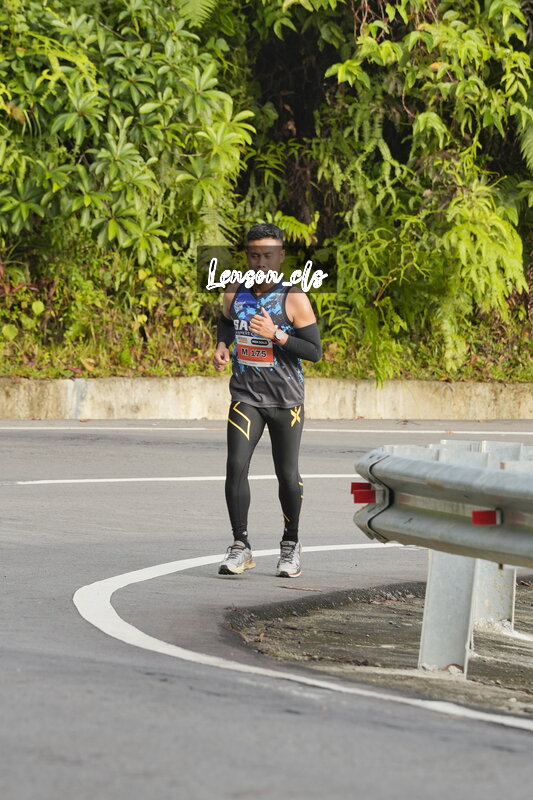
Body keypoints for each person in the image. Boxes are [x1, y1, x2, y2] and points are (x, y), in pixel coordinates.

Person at [212, 222, 322, 578]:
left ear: (280, 257)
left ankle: (291, 544)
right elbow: (226, 321)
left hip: (286, 401)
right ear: (247, 256)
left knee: (286, 474)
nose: (261, 263)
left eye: (268, 256)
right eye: (255, 255)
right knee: (235, 465)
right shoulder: (234, 291)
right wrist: (222, 344)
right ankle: (240, 545)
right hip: (246, 396)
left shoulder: (293, 297)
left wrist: (277, 334)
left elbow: (314, 351)